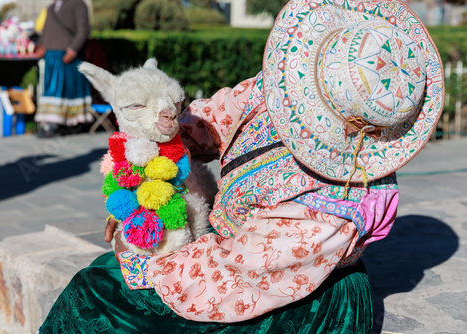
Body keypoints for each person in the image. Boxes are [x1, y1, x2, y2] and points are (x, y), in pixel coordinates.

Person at [38, 0, 444, 332]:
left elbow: (233, 272)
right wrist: (144, 181)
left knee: (98, 296)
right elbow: (211, 119)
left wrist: (143, 254)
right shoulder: (291, 85)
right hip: (231, 241)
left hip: (281, 287)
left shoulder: (331, 211)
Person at [34, 0, 93, 137]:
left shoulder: (78, 4)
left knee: (67, 92)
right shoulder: (51, 8)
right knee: (52, 91)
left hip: (67, 55)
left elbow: (83, 30)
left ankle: (67, 124)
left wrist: (72, 50)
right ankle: (52, 124)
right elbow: (46, 32)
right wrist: (41, 45)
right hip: (51, 56)